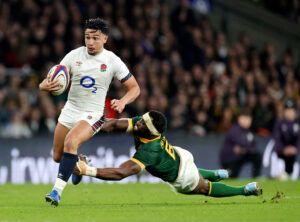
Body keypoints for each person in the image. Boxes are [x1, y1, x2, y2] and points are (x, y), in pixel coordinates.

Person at [39, 18, 140, 206]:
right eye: (87, 37)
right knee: (57, 156)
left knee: (71, 142)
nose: (90, 42)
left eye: (95, 37)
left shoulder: (112, 61)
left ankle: (56, 192)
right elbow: (54, 78)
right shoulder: (73, 56)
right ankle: (80, 164)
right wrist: (43, 85)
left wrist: (123, 101)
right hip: (70, 110)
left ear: (105, 39)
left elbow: (134, 88)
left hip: (92, 114)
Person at [73, 110, 262, 203]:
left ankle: (244, 190)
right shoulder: (145, 124)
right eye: (142, 119)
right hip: (178, 154)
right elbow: (113, 125)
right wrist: (89, 129)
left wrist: (87, 170)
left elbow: (121, 173)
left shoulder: (150, 150)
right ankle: (215, 173)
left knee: (204, 188)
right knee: (197, 173)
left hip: (182, 176)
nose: (138, 123)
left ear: (151, 131)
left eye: (142, 124)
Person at [219, 109, 262, 178]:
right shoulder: (235, 130)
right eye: (245, 119)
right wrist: (246, 148)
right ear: (239, 119)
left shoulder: (248, 132)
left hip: (240, 157)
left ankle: (256, 177)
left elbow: (254, 145)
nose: (247, 121)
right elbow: (242, 142)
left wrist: (244, 149)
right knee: (231, 178)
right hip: (230, 160)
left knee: (257, 155)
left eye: (249, 119)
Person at [272, 99, 300, 179]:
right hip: (282, 153)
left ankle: (295, 177)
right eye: (287, 110)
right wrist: (284, 149)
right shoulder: (279, 123)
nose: (289, 112)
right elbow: (277, 139)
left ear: (295, 111)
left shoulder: (298, 123)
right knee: (275, 155)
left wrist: (296, 149)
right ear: (284, 112)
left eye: (291, 110)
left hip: (296, 153)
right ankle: (278, 174)